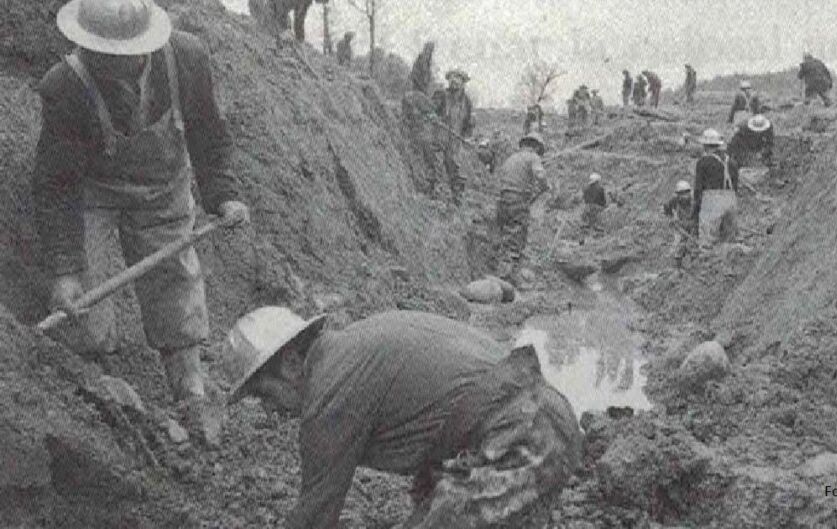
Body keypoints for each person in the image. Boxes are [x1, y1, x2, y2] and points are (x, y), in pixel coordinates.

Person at [36, 0, 250, 443]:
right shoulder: (64, 87)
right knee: (85, 303)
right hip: (92, 192)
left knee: (174, 279)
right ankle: (100, 390)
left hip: (163, 185)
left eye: (125, 57)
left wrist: (224, 195)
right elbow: (56, 185)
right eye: (102, 57)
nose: (115, 67)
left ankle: (188, 387)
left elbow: (209, 132)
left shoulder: (187, 58)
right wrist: (66, 270)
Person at [224, 307, 583, 529]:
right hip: (541, 423)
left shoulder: (329, 395)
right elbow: (444, 424)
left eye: (264, 394)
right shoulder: (353, 347)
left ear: (289, 364)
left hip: (527, 442)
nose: (270, 412)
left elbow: (315, 516)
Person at [496, 133, 550, 284]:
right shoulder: (533, 157)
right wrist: (545, 186)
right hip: (517, 200)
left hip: (502, 200)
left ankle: (501, 270)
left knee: (505, 235)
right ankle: (506, 276)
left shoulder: (511, 158)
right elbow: (540, 175)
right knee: (517, 235)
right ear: (537, 146)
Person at [692, 129, 740, 248]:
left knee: (707, 242)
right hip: (731, 201)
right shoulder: (732, 162)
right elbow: (736, 187)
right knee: (729, 243)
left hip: (712, 202)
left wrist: (695, 210)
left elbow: (698, 188)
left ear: (705, 145)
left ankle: (707, 263)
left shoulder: (703, 162)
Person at [433, 69, 474, 204]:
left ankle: (457, 197)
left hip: (455, 141)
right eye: (452, 77)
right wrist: (434, 116)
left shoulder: (467, 102)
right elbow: (432, 111)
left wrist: (468, 136)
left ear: (463, 83)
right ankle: (435, 193)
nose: (455, 80)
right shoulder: (441, 95)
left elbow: (468, 122)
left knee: (455, 168)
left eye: (458, 78)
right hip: (439, 137)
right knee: (437, 164)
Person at [663, 179, 696, 265]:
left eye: (686, 193)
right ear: (678, 194)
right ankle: (678, 265)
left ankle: (694, 263)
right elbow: (667, 207)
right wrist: (671, 217)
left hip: (692, 224)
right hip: (681, 225)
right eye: (682, 193)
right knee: (679, 245)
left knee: (693, 245)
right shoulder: (674, 200)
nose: (685, 196)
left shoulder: (694, 201)